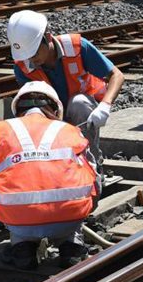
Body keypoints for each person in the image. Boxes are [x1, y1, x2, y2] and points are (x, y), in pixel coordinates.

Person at [0, 81, 100, 269]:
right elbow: (95, 177)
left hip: (19, 221)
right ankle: (71, 245)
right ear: (55, 109)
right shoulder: (70, 131)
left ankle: (22, 247)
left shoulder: (1, 130)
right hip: (69, 218)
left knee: (0, 192)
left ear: (17, 109)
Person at [7, 10, 124, 165]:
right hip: (50, 115)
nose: (30, 60)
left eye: (34, 53)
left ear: (48, 37)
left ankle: (91, 163)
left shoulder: (77, 47)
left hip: (82, 113)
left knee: (79, 103)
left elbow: (116, 75)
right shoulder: (23, 67)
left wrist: (105, 106)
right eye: (25, 56)